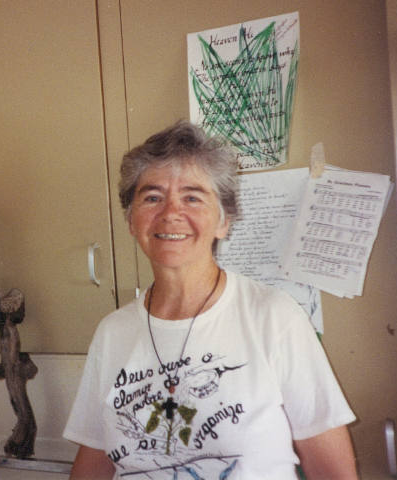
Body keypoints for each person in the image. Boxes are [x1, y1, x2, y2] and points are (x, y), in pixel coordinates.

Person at [63, 120, 358, 479]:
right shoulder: (112, 333)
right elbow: (94, 463)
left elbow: (332, 470)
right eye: (152, 197)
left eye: (192, 197)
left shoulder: (273, 316)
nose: (171, 212)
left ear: (224, 221)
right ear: (131, 220)